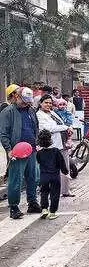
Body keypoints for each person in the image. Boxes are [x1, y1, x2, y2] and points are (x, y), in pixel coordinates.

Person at [0, 86, 41, 218]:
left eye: (28, 102)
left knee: (33, 177)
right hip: (16, 152)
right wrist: (8, 149)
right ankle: (14, 207)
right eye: (24, 101)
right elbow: (3, 133)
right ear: (16, 97)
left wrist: (37, 142)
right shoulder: (7, 112)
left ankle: (32, 203)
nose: (26, 104)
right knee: (15, 180)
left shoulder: (31, 110)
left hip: (32, 149)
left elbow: (36, 127)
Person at [37, 94, 73, 200]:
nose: (48, 105)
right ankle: (51, 191)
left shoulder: (52, 113)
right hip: (52, 146)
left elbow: (62, 122)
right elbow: (49, 128)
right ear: (40, 104)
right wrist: (65, 127)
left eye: (50, 103)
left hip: (63, 143)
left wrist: (68, 127)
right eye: (46, 103)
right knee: (52, 170)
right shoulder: (39, 115)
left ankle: (66, 190)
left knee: (65, 167)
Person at [35, 129, 68, 220]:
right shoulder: (56, 151)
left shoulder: (39, 153)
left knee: (44, 192)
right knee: (55, 194)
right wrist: (65, 171)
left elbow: (38, 162)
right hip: (55, 176)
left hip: (44, 176)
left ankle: (44, 209)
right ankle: (52, 212)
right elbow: (61, 163)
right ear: (50, 140)